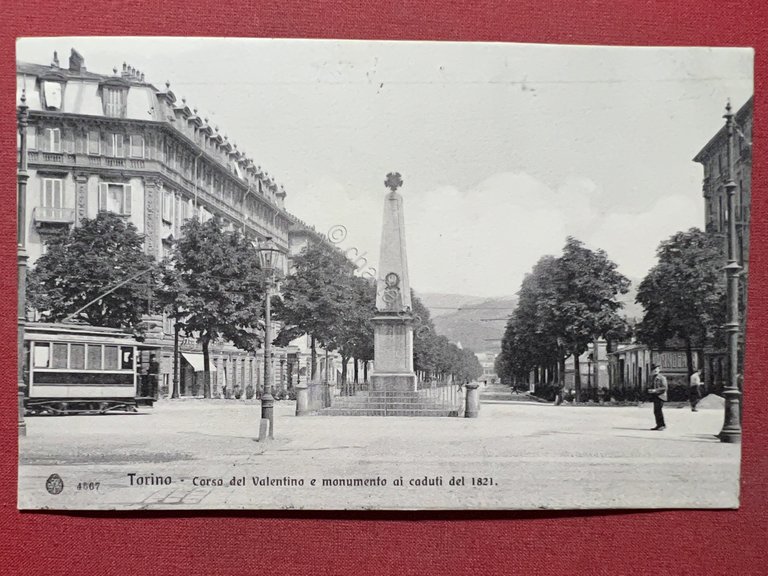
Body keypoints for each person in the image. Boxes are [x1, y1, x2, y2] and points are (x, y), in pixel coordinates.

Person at [647, 364, 668, 431]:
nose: (655, 370)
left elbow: (664, 388)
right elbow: (651, 386)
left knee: (658, 410)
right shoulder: (652, 378)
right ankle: (659, 425)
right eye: (654, 369)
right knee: (656, 411)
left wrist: (655, 390)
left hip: (661, 396)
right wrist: (650, 390)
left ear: (659, 370)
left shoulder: (662, 378)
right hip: (655, 396)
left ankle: (662, 425)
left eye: (657, 369)